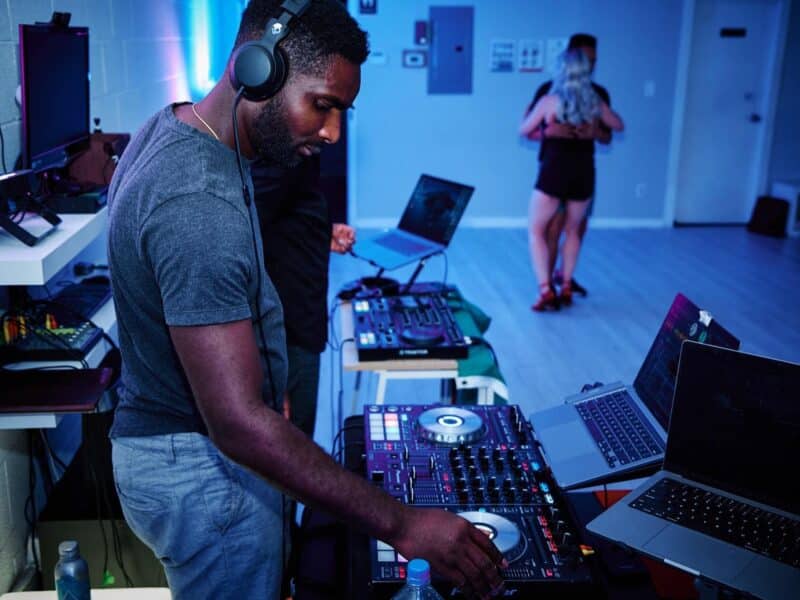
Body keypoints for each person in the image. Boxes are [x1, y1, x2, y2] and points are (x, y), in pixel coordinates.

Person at [106, 1, 505, 599]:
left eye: (342, 112)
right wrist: (402, 523)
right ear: (258, 70)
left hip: (184, 453)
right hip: (201, 473)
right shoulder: (195, 206)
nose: (332, 132)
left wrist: (266, 384)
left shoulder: (180, 129)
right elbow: (237, 426)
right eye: (323, 105)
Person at [252, 154, 354, 439]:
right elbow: (242, 242)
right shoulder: (278, 158)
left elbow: (280, 219)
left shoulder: (295, 154)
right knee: (289, 445)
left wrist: (320, 232)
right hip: (288, 336)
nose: (332, 134)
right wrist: (274, 371)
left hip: (299, 325)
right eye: (323, 107)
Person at [520, 47, 623, 311]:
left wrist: (550, 130)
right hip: (583, 172)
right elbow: (618, 125)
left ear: (561, 70)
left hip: (554, 171)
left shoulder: (550, 100)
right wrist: (591, 129)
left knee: (536, 231)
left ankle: (545, 290)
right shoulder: (595, 102)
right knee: (573, 230)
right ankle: (566, 284)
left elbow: (524, 129)